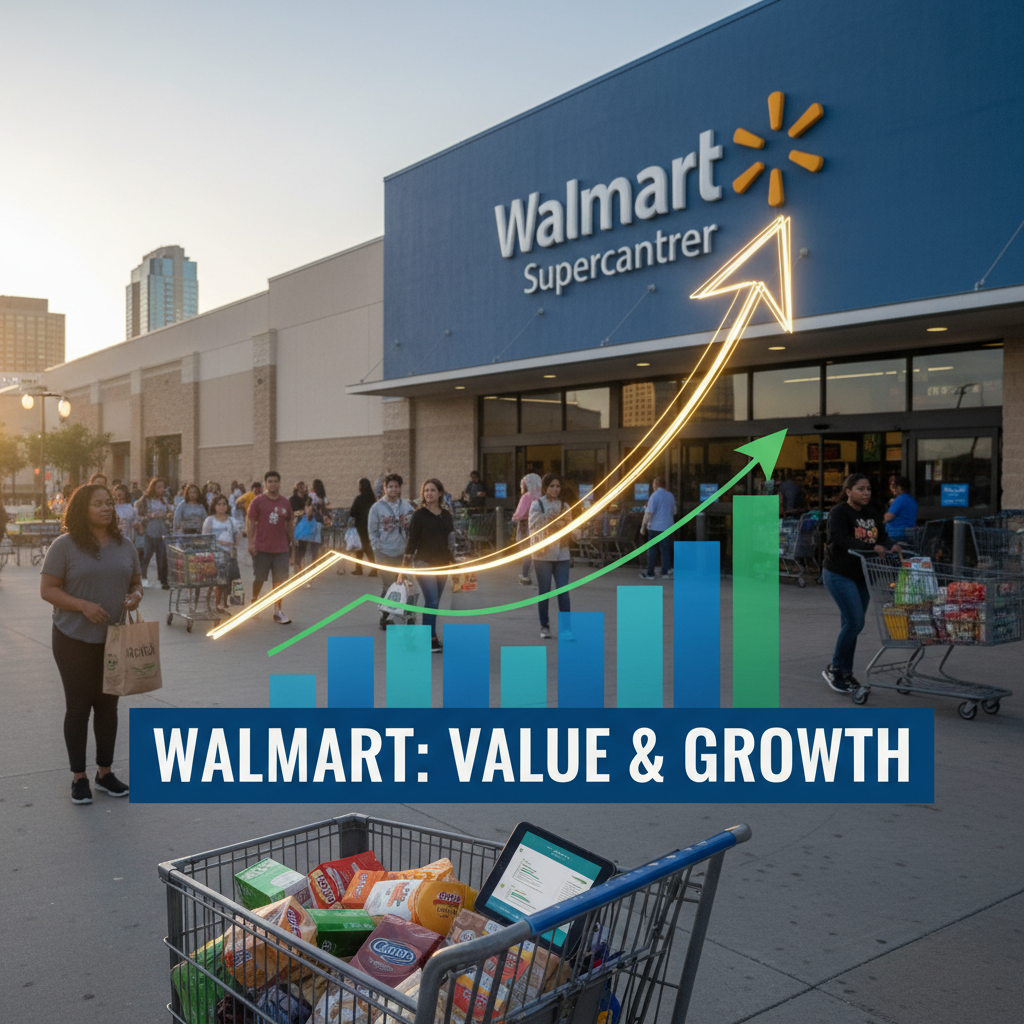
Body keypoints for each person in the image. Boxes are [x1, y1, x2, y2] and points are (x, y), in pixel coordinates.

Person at [39, 484, 142, 805]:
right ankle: (79, 777)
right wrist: (82, 605)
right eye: (98, 504)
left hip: (113, 638)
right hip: (73, 638)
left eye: (109, 503)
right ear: (82, 509)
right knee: (79, 707)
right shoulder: (65, 546)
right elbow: (48, 590)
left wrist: (134, 596)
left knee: (108, 706)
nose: (106, 508)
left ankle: (104, 773)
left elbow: (136, 583)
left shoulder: (125, 545)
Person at [822, 474, 899, 694]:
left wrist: (890, 546)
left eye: (868, 489)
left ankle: (845, 671)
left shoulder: (871, 513)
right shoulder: (839, 512)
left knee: (850, 624)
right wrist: (870, 548)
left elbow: (881, 537)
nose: (866, 493)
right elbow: (839, 538)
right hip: (839, 573)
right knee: (855, 622)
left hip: (864, 575)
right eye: (860, 489)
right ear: (848, 491)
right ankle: (835, 669)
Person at [401, 478, 455, 653]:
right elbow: (412, 542)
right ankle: (429, 639)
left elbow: (451, 541)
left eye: (432, 490)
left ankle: (429, 636)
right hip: (423, 564)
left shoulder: (446, 515)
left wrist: (455, 564)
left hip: (442, 564)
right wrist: (403, 568)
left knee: (435, 602)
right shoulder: (419, 515)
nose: (429, 494)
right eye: (426, 491)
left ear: (440, 493)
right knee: (431, 600)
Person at [529, 473, 574, 640]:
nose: (555, 489)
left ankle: (566, 628)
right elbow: (533, 524)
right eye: (552, 486)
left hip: (562, 553)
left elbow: (570, 526)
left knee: (563, 591)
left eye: (558, 486)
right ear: (545, 487)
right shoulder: (537, 504)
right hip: (543, 554)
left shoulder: (565, 506)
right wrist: (549, 520)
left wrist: (572, 529)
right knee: (545, 591)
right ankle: (544, 626)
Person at [367, 473, 415, 630]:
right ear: (384, 488)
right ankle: (385, 616)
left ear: (400, 488)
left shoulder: (406, 506)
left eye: (396, 486)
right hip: (384, 552)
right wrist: (377, 547)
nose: (393, 489)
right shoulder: (377, 508)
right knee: (389, 585)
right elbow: (372, 530)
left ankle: (408, 617)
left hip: (402, 552)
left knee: (405, 584)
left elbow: (414, 526)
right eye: (390, 487)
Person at [247, 470, 293, 624]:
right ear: (265, 483)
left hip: (281, 549)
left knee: (279, 581)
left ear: (279, 483)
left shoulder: (285, 502)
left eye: (276, 481)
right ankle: (255, 601)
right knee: (259, 578)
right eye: (270, 481)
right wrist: (251, 543)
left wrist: (292, 543)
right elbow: (251, 521)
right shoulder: (258, 501)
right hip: (262, 548)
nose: (273, 484)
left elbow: (289, 524)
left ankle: (277, 611)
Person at [202, 493, 239, 613]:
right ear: (214, 506)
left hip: (229, 556)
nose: (222, 506)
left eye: (224, 504)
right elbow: (205, 538)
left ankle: (228, 603)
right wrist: (222, 543)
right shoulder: (210, 520)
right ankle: (218, 604)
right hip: (215, 555)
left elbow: (236, 536)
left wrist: (234, 545)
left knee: (232, 580)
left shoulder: (232, 521)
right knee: (220, 580)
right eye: (219, 504)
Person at [638, 476, 677, 580]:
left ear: (656, 485)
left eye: (653, 485)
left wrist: (643, 526)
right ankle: (665, 572)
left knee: (652, 550)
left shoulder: (654, 496)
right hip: (667, 527)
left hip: (655, 527)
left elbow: (649, 513)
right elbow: (674, 511)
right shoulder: (670, 496)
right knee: (665, 550)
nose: (653, 487)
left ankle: (650, 573)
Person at [135, 477, 171, 589]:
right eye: (158, 486)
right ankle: (143, 578)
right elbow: (138, 514)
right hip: (149, 530)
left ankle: (163, 580)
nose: (161, 489)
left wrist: (168, 515)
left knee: (162, 556)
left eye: (162, 487)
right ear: (153, 487)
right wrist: (149, 516)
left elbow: (169, 512)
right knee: (146, 556)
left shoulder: (164, 499)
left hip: (161, 530)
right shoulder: (146, 499)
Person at [511, 473, 543, 585]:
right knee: (539, 553)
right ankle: (542, 576)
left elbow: (519, 514)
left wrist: (514, 518)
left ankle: (525, 575)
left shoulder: (527, 497)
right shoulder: (543, 496)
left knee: (527, 553)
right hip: (540, 528)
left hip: (526, 527)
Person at [349, 477, 377, 576]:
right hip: (371, 526)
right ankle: (367, 568)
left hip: (360, 526)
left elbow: (352, 512)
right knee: (367, 547)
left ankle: (361, 568)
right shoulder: (373, 499)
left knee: (361, 547)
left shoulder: (359, 499)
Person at [884, 476, 918, 542]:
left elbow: (888, 517)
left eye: (894, 487)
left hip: (895, 534)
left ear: (899, 487)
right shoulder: (913, 501)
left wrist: (885, 514)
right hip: (909, 534)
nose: (893, 489)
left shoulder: (899, 499)